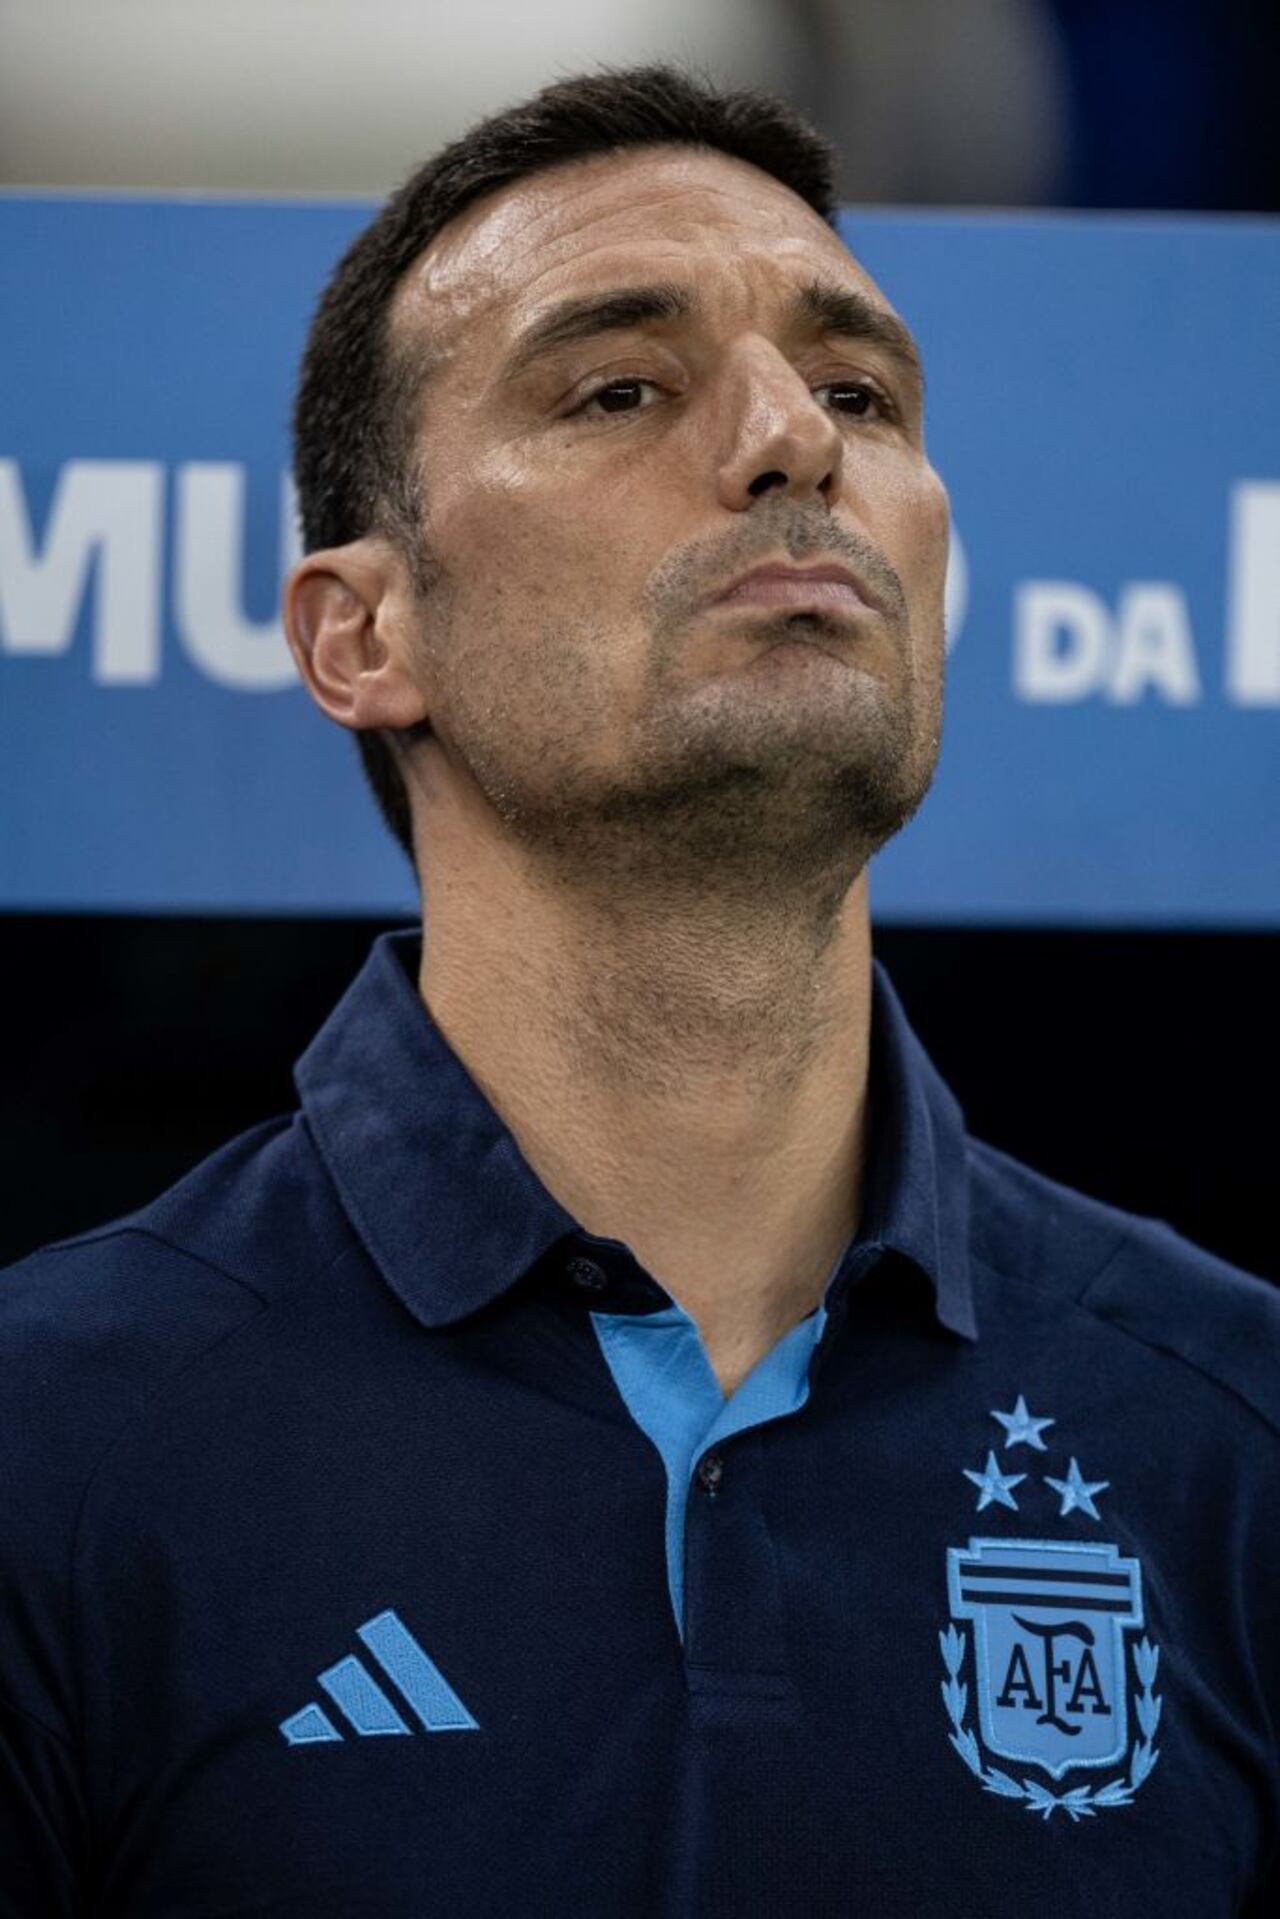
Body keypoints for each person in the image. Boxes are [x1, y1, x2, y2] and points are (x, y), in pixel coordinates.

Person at [1, 60, 1276, 1919]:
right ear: (364, 632)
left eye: (859, 393)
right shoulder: (51, 1438)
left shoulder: (1233, 1429)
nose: (791, 439)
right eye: (622, 386)